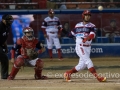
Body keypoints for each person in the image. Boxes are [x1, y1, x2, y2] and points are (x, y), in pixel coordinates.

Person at [64, 10, 106, 82]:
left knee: (82, 66)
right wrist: (63, 30)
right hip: (80, 46)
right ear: (83, 16)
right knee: (88, 61)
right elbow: (70, 35)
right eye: (86, 15)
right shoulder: (77, 25)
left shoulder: (92, 26)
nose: (87, 17)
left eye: (89, 15)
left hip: (87, 47)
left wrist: (87, 38)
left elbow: (92, 35)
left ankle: (68, 73)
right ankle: (98, 77)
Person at [0, 14, 13, 79]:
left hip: (1, 44)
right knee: (3, 57)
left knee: (4, 58)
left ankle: (4, 76)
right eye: (8, 20)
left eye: (10, 20)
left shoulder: (7, 26)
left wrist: (5, 46)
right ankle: (4, 75)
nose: (9, 21)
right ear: (3, 20)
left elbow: (4, 37)